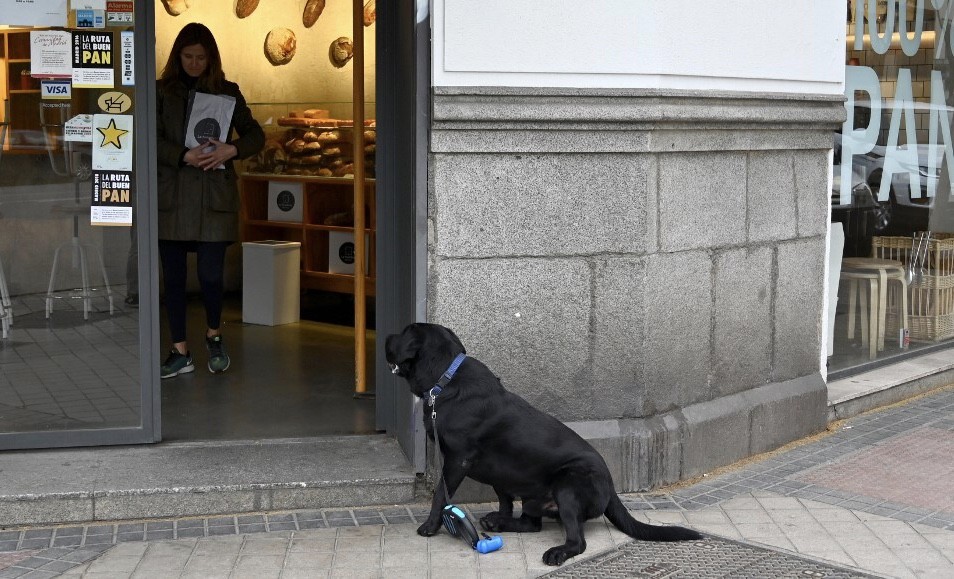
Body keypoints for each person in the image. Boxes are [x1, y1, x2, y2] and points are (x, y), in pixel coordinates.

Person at [156, 23, 264, 378]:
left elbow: (256, 134)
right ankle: (180, 350)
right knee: (173, 279)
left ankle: (214, 335)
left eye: (201, 57)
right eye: (188, 56)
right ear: (177, 56)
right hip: (172, 195)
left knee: (211, 276)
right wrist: (181, 155)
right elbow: (145, 138)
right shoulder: (161, 92)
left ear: (211, 58)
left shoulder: (227, 91)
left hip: (213, 195)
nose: (194, 63)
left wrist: (232, 149)